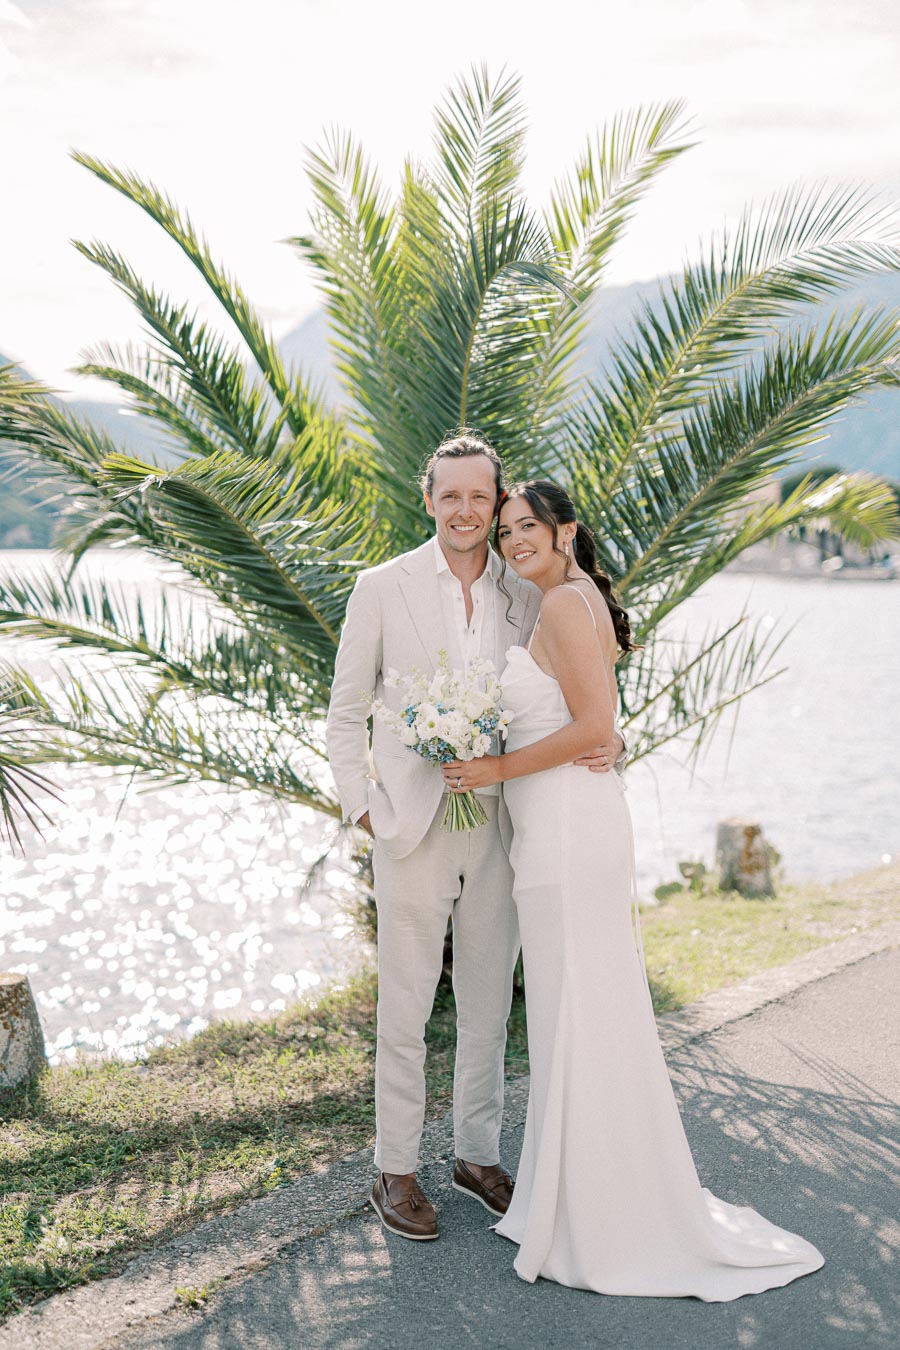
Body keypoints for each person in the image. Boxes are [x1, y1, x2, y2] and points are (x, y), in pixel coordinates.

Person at [441, 479, 825, 1300]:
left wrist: (491, 768)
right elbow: (598, 724)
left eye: (525, 528)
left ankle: (604, 1216)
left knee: (580, 1007)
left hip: (571, 833)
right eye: (505, 531)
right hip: (558, 826)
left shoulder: (564, 605)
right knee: (570, 1009)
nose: (512, 541)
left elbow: (588, 729)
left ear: (566, 530)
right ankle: (569, 1198)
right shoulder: (568, 603)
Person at [326, 438, 625, 1242]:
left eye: (481, 500)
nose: (466, 511)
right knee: (407, 1006)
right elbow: (346, 710)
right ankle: (395, 1169)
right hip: (412, 828)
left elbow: (578, 682)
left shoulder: (526, 593)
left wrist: (611, 735)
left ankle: (476, 1156)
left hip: (504, 828)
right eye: (450, 496)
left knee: (490, 1005)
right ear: (429, 500)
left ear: (498, 508)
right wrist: (364, 809)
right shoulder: (380, 587)